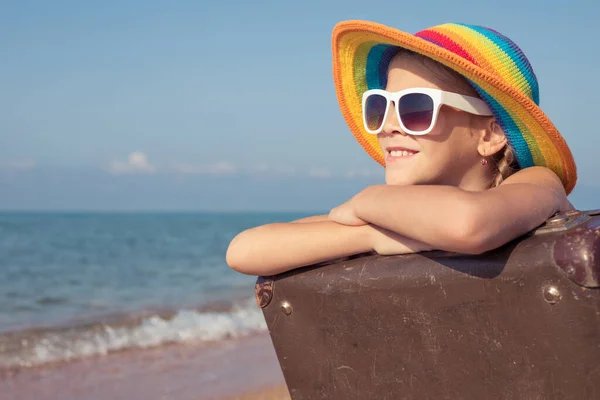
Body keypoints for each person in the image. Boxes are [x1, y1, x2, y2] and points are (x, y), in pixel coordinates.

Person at [226, 21, 576, 276]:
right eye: (380, 107)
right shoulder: (393, 218)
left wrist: (368, 201)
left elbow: (469, 224)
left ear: (491, 134)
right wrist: (372, 235)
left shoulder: (538, 183)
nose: (389, 125)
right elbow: (244, 249)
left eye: (415, 108)